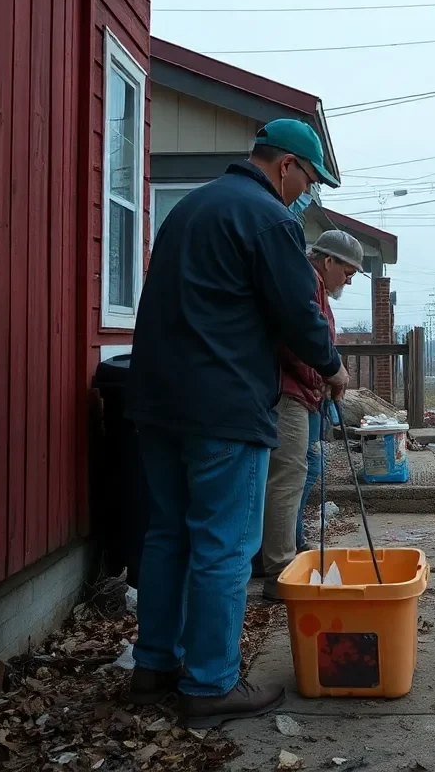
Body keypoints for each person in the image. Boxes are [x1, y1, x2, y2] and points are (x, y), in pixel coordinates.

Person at [124, 119, 349, 729]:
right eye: (308, 179)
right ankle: (211, 684)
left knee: (168, 535)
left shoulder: (188, 210)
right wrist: (332, 369)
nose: (307, 192)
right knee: (226, 545)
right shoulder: (268, 219)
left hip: (157, 401)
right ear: (285, 168)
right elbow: (298, 314)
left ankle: (154, 668)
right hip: (223, 407)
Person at [258, 230, 364, 600]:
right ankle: (280, 572)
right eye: (347, 271)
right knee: (287, 477)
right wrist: (322, 373)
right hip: (287, 393)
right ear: (328, 260)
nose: (349, 280)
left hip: (302, 392)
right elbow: (296, 337)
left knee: (301, 469)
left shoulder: (314, 284)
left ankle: (283, 553)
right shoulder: (303, 280)